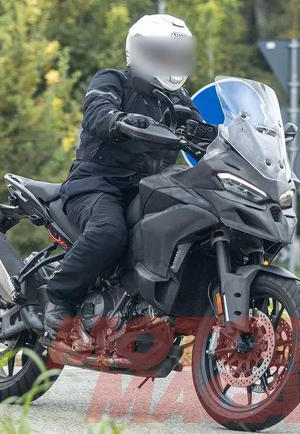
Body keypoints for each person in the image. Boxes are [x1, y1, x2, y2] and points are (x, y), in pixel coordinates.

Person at [43, 14, 216, 341]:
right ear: (141, 51)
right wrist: (117, 120)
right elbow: (96, 110)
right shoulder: (113, 80)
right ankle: (60, 297)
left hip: (149, 189)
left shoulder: (178, 99)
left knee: (194, 224)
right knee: (108, 232)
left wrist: (229, 137)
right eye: (164, 54)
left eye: (177, 55)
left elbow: (202, 130)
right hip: (96, 184)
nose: (172, 61)